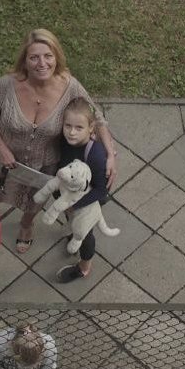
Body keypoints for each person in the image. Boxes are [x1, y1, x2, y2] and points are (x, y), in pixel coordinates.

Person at [0, 28, 118, 254]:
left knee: (35, 200)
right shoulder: (6, 85)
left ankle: (26, 225)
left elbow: (98, 118)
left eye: (48, 56)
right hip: (4, 163)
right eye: (34, 57)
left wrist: (111, 155)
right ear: (24, 60)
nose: (41, 63)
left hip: (44, 166)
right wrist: (1, 147)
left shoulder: (70, 86)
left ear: (57, 57)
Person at [52, 97, 112, 283]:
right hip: (68, 195)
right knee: (72, 223)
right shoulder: (64, 140)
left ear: (91, 128)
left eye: (79, 128)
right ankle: (72, 231)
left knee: (85, 234)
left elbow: (100, 191)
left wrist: (74, 205)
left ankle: (84, 267)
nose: (71, 132)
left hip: (86, 200)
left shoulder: (96, 155)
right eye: (67, 125)